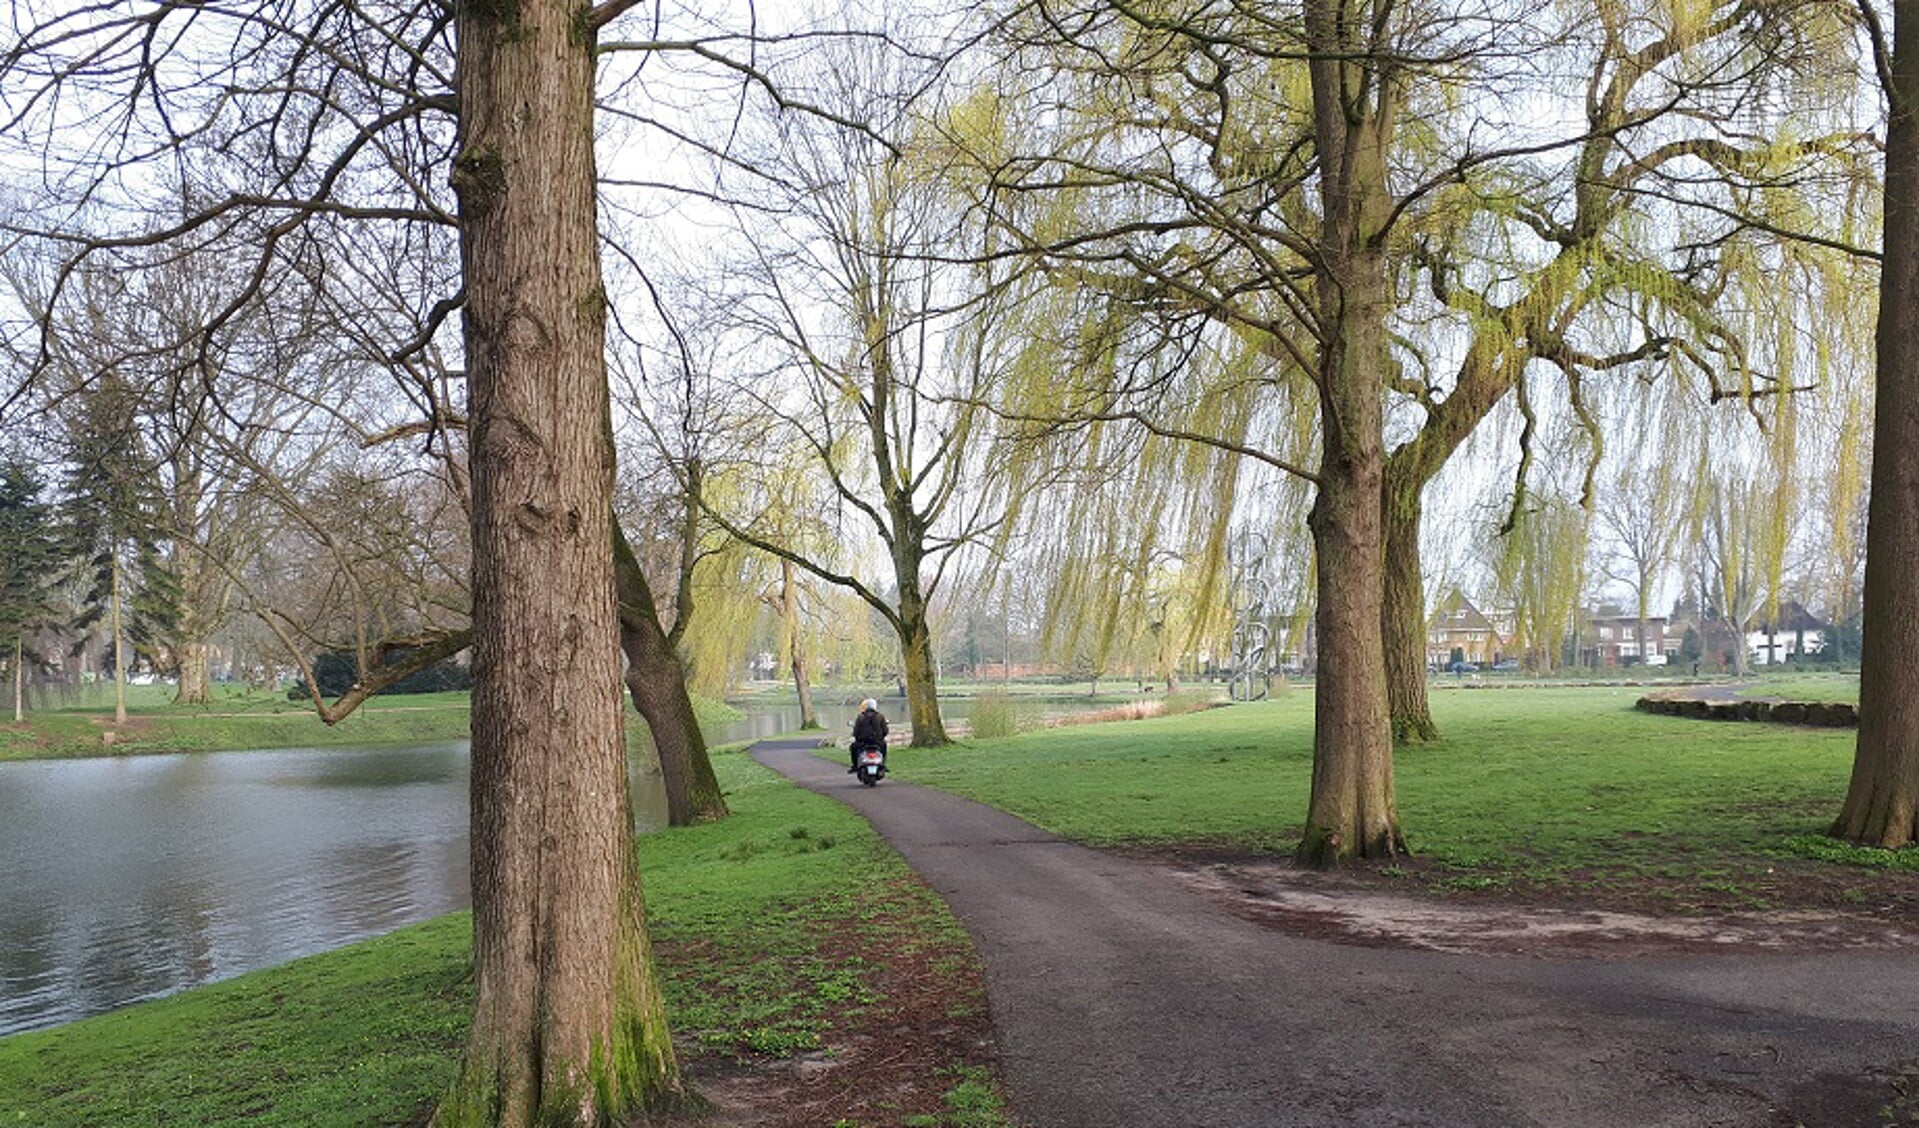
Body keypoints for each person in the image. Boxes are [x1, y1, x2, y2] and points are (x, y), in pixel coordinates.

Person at [849, 697, 889, 772]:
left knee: (853, 748)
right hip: (878, 742)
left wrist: (856, 736)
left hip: (863, 742)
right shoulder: (880, 716)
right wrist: (881, 736)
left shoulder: (860, 717)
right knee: (884, 747)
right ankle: (883, 764)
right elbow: (885, 730)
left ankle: (855, 765)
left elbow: (856, 731)